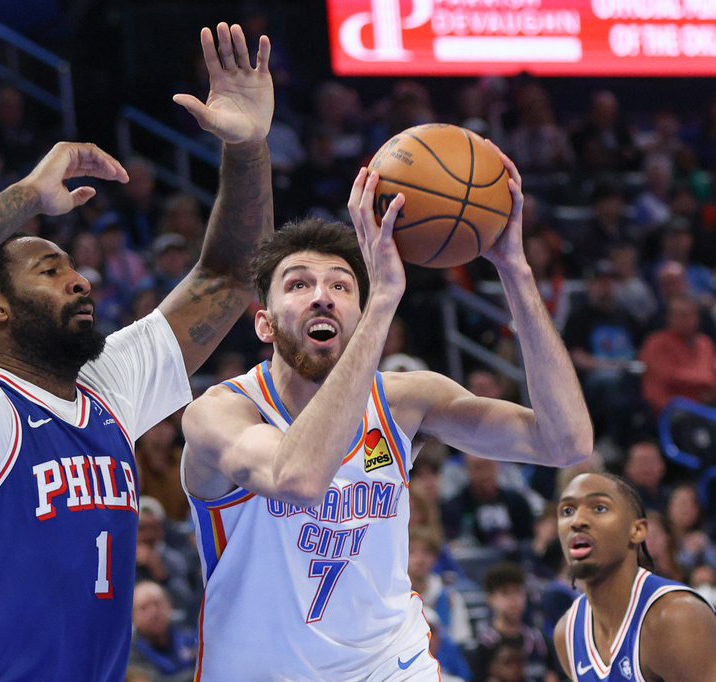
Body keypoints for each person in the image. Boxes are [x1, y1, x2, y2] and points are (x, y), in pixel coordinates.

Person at [0, 22, 273, 681]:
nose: (80, 278)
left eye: (74, 266)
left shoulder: (107, 385)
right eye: (49, 269)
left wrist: (247, 149)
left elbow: (228, 277)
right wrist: (25, 201)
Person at [180, 145, 592, 678]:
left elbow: (566, 443)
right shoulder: (221, 413)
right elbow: (298, 475)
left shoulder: (406, 400)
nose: (322, 296)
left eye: (341, 286)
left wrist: (514, 270)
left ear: (355, 312)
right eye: (299, 283)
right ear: (263, 323)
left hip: (391, 665)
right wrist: (380, 301)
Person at [554, 472, 716, 680]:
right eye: (567, 511)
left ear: (637, 530)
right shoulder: (567, 633)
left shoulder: (676, 617)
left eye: (599, 508)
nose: (577, 521)